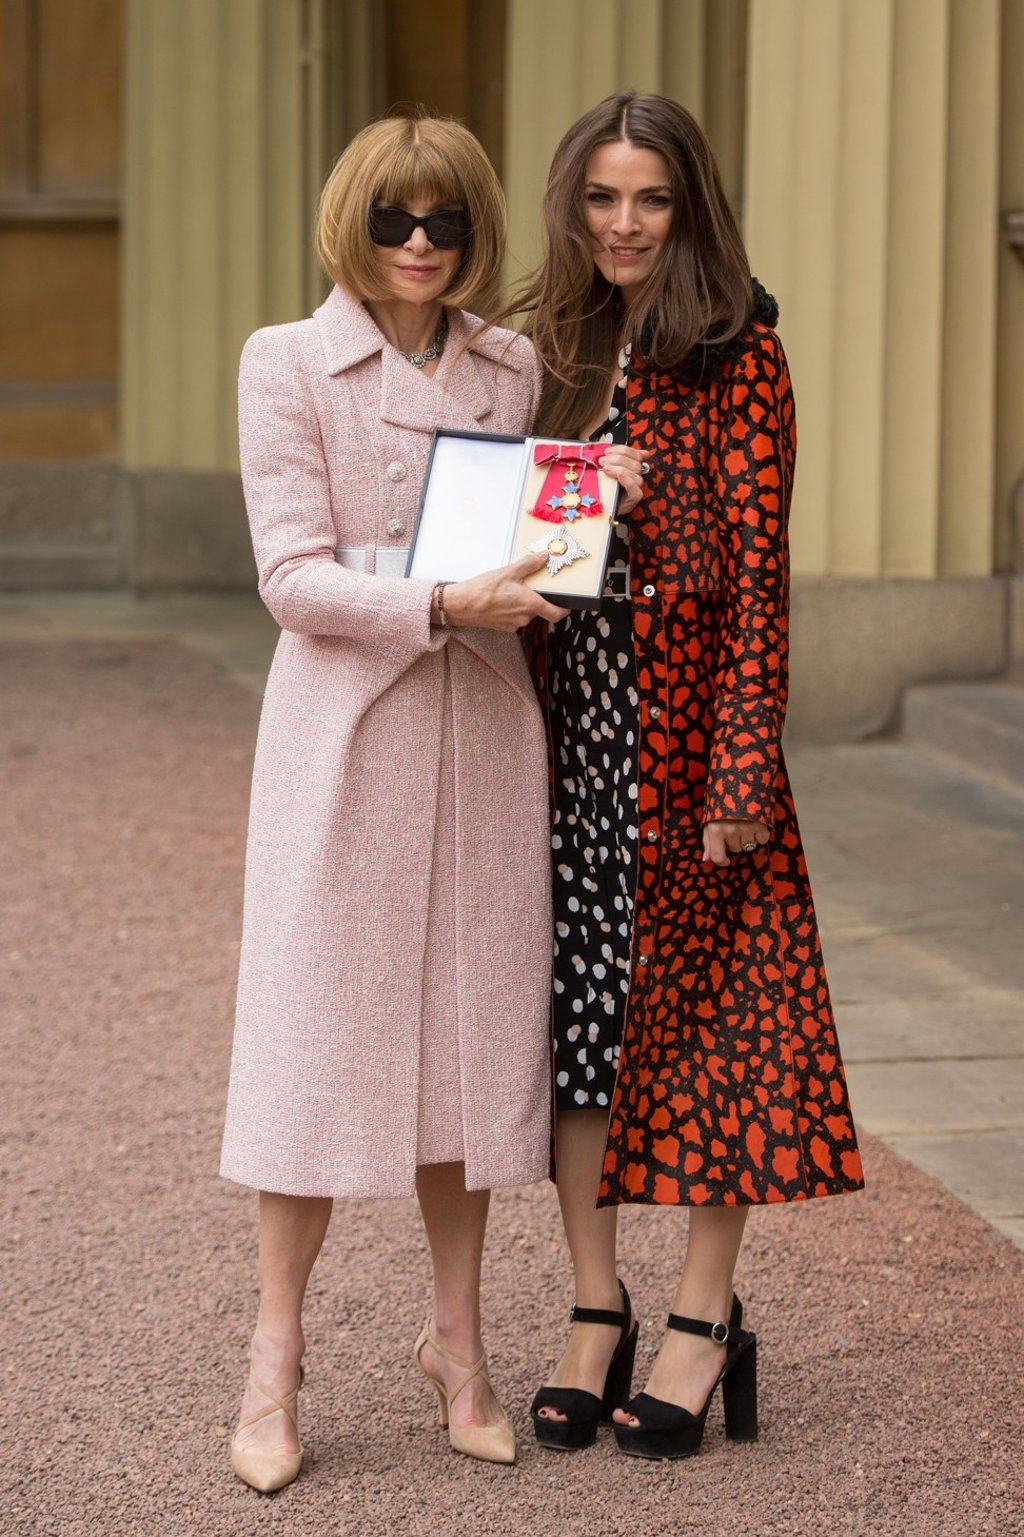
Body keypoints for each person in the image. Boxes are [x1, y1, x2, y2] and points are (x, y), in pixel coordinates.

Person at [219, 112, 643, 1491]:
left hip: (484, 737)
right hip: (348, 737)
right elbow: (290, 578)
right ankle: (273, 1358)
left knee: (465, 1054)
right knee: (314, 1047)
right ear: (351, 222)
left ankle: (458, 1345)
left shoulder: (511, 366)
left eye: (446, 221)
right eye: (393, 219)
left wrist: (588, 497)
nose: (418, 244)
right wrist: (445, 599)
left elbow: (536, 548)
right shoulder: (286, 361)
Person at [510, 91, 866, 1460]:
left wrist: (741, 772)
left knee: (726, 1030)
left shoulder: (740, 353)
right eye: (602, 198)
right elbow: (520, 552)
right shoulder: (554, 346)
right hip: (571, 734)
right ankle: (594, 1303)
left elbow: (757, 579)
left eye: (650, 198)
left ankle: (707, 1316)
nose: (624, 224)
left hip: (687, 741)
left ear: (690, 207)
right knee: (580, 1030)